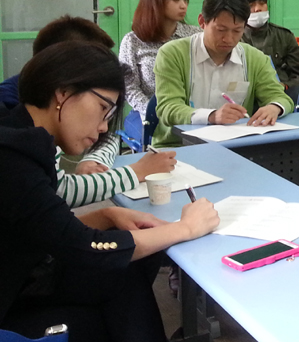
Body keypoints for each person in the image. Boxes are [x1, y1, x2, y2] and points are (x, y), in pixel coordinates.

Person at [0, 41, 219, 342]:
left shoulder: (20, 136)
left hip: (20, 291)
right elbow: (85, 249)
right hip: (9, 331)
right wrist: (185, 228)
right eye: (103, 109)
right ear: (63, 94)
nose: (104, 126)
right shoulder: (13, 160)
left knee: (125, 284)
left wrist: (104, 215)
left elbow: (37, 229)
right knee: (127, 320)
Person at [4, 16, 178, 206]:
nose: (103, 72)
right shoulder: (13, 117)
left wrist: (93, 159)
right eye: (93, 64)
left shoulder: (52, 113)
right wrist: (137, 171)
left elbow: (108, 135)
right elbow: (58, 191)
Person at [152, 0, 294, 148]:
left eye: (237, 31)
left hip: (235, 145)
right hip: (179, 146)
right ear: (202, 22)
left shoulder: (255, 58)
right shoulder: (173, 54)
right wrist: (211, 116)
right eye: (221, 30)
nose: (229, 39)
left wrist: (274, 107)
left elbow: (281, 98)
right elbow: (168, 108)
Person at [118, 0, 201, 118]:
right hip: (148, 114)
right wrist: (153, 112)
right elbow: (129, 87)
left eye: (185, 0)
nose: (183, 5)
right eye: (176, 0)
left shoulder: (195, 36)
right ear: (156, 2)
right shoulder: (132, 40)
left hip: (190, 112)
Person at [234, 0, 299, 100]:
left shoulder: (284, 36)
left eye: (262, 3)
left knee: (297, 93)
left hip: (281, 91)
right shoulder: (233, 37)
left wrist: (285, 85)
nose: (258, 9)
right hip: (247, 94)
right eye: (251, 5)